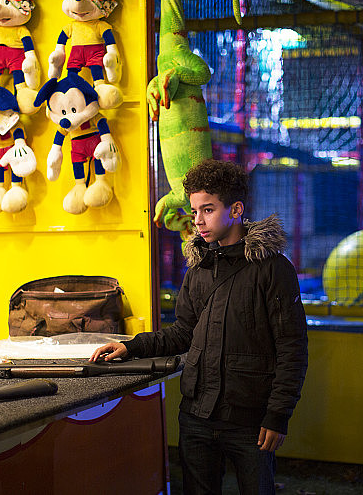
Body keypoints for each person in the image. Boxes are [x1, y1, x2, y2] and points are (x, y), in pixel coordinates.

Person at [91, 159, 308, 495]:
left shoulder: (272, 269)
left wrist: (278, 414)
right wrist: (131, 347)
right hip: (196, 416)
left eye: (208, 210)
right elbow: (183, 333)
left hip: (250, 419)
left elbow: (292, 347)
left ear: (236, 209)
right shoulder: (198, 270)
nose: (198, 221)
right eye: (194, 211)